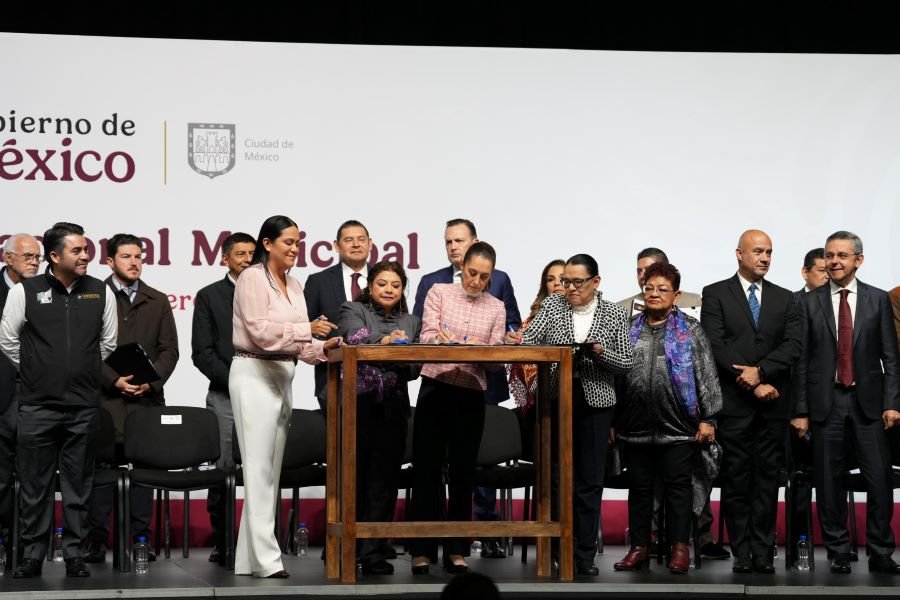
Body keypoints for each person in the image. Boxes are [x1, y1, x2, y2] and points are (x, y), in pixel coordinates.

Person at [0, 222, 117, 579]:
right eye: (77, 250)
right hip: (37, 406)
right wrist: (37, 371)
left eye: (86, 249)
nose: (85, 256)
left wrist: (82, 370)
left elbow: (108, 343)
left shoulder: (101, 291)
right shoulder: (26, 291)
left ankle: (75, 554)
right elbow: (7, 339)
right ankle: (33, 555)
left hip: (83, 406)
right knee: (34, 487)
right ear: (54, 256)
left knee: (78, 487)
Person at [507, 253, 633, 576]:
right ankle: (554, 550)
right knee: (555, 478)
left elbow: (626, 362)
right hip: (555, 398)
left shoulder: (615, 313)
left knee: (589, 480)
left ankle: (583, 554)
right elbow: (530, 341)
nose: (571, 288)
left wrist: (601, 353)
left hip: (596, 403)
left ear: (596, 281)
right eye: (566, 282)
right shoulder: (553, 305)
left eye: (578, 282)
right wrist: (517, 340)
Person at [229, 215, 342, 578]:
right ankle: (267, 561)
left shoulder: (294, 283)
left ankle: (248, 559)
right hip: (253, 373)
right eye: (287, 242)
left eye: (297, 243)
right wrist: (306, 329)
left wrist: (325, 347)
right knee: (258, 470)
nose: (294, 249)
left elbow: (301, 345)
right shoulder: (251, 277)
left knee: (270, 473)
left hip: (283, 376)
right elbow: (260, 333)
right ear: (267, 244)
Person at [792, 230, 900, 574]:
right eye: (829, 255)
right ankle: (838, 550)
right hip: (826, 403)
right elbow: (801, 361)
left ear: (859, 260)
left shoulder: (878, 299)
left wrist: (892, 402)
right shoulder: (808, 302)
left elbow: (891, 357)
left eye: (841, 255)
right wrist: (801, 410)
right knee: (828, 481)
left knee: (879, 479)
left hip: (870, 404)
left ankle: (881, 550)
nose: (834, 261)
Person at [413, 219, 521, 559]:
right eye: (472, 273)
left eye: (484, 277)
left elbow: (494, 362)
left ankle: (457, 550)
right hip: (436, 387)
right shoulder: (439, 292)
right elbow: (427, 336)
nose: (476, 281)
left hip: (472, 394)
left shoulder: (496, 307)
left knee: (463, 472)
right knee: (427, 470)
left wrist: (483, 349)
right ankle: (422, 550)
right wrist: (445, 342)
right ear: (463, 267)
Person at [617, 246, 728, 561]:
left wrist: (709, 419)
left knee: (679, 488)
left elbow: (707, 376)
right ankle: (639, 547)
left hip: (679, 428)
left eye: (662, 289)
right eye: (649, 288)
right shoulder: (628, 328)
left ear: (676, 295)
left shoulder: (691, 330)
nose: (654, 294)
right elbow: (617, 378)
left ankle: (680, 548)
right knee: (639, 489)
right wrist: (614, 421)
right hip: (635, 427)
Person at [700, 229, 801, 574]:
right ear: (739, 254)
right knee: (737, 480)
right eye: (758, 251)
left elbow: (793, 345)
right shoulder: (716, 293)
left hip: (773, 406)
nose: (765, 258)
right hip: (735, 405)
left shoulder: (786, 298)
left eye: (769, 252)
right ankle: (741, 553)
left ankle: (763, 552)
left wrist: (762, 372)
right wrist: (751, 382)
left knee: (767, 482)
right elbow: (716, 344)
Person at [84, 233, 180, 563]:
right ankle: (96, 539)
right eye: (126, 256)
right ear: (110, 261)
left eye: (138, 256)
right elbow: (86, 349)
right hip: (106, 400)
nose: (135, 262)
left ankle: (141, 539)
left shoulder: (157, 300)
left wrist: (150, 382)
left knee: (143, 472)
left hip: (145, 401)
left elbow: (170, 350)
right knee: (101, 471)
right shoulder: (93, 296)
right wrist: (113, 380)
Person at [337, 260, 421, 576]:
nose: (388, 289)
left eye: (395, 285)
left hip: (394, 408)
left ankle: (372, 550)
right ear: (370, 286)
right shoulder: (352, 309)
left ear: (402, 290)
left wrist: (399, 355)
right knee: (355, 477)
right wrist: (387, 344)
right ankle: (347, 547)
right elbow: (355, 337)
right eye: (382, 284)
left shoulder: (412, 321)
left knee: (384, 481)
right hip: (359, 406)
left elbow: (414, 368)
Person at [191, 231, 256, 562]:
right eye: (240, 254)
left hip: (263, 394)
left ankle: (259, 543)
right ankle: (225, 542)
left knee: (260, 471)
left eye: (252, 254)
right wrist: (236, 379)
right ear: (225, 259)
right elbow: (202, 352)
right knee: (223, 470)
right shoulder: (209, 296)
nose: (247, 259)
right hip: (225, 395)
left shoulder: (269, 294)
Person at [304, 219, 373, 412]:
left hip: (380, 381)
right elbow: (304, 329)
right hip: (332, 381)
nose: (356, 244)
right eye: (349, 240)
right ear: (336, 245)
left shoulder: (385, 279)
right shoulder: (318, 282)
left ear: (370, 243)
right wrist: (314, 328)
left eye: (361, 239)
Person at [0, 233, 42, 541]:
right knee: (1, 476)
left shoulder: (44, 291)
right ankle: (4, 540)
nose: (35, 263)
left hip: (37, 395)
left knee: (34, 475)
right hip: (2, 394)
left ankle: (29, 545)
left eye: (38, 257)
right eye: (28, 257)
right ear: (8, 258)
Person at [508, 259, 564, 412]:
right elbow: (524, 361)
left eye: (562, 279)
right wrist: (514, 340)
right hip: (541, 396)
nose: (556, 283)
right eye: (550, 279)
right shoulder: (531, 322)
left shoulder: (581, 316)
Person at [617, 247, 702, 320]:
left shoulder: (693, 301)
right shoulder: (621, 308)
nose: (642, 276)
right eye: (639, 271)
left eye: (648, 269)